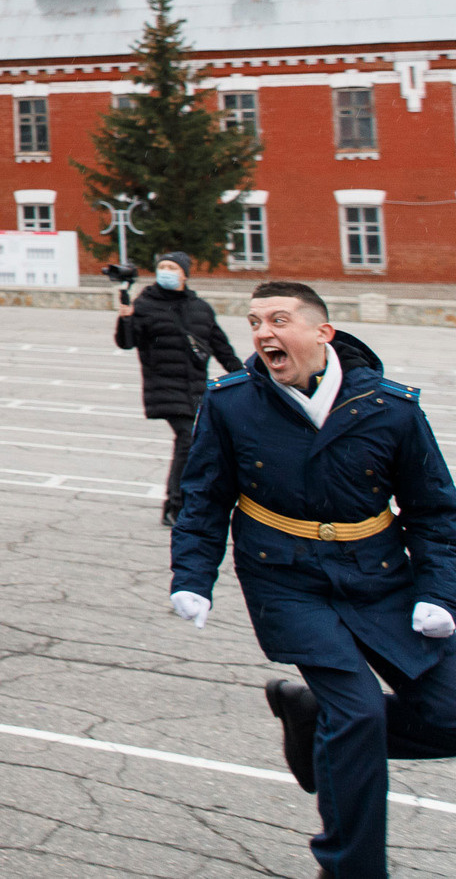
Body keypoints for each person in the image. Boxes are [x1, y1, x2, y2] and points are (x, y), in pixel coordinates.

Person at [169, 282, 456, 879]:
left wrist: (438, 593)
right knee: (358, 714)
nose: (263, 333)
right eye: (254, 322)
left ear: (323, 332)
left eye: (278, 320)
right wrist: (193, 575)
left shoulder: (391, 408)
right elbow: (204, 497)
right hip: (287, 582)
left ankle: (309, 720)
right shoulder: (231, 403)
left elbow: (434, 511)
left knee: (447, 712)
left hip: (380, 576)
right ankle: (350, 869)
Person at [117, 251, 244, 526]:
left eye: (172, 267)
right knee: (187, 439)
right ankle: (176, 505)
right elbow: (127, 342)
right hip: (164, 386)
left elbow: (220, 345)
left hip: (195, 387)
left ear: (184, 273)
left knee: (198, 442)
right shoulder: (146, 304)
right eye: (162, 266)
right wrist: (125, 317)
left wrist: (243, 376)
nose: (166, 271)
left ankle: (184, 502)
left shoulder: (200, 307)